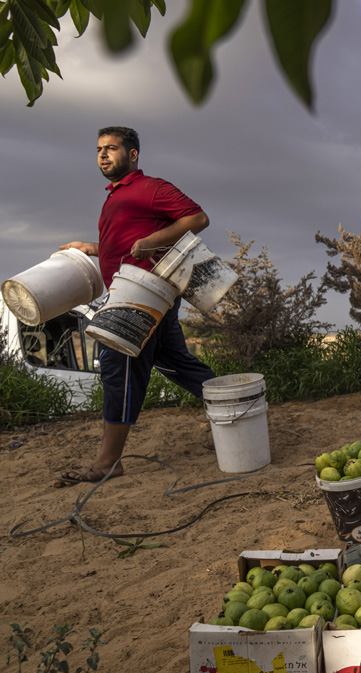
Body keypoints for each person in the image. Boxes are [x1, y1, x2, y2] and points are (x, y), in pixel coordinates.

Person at [53, 126, 216, 486]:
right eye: (99, 149)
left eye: (112, 148)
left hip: (143, 296)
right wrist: (91, 247)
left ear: (133, 154)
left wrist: (153, 239)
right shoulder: (116, 196)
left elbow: (197, 218)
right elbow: (125, 244)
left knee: (118, 361)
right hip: (142, 294)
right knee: (176, 362)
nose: (103, 155)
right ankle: (240, 406)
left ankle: (109, 462)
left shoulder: (151, 188)